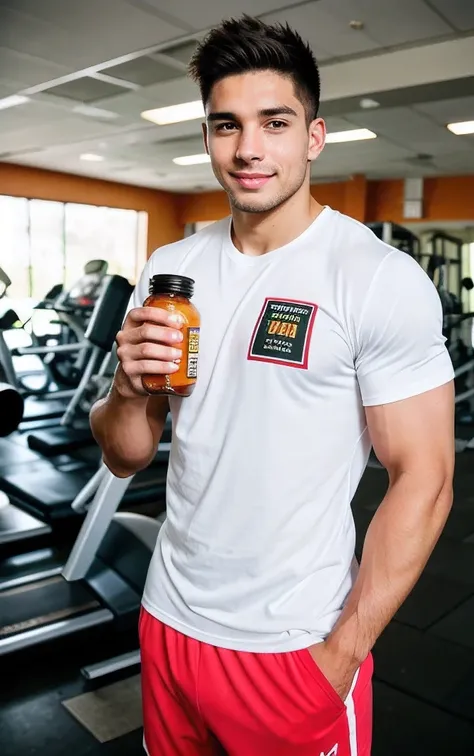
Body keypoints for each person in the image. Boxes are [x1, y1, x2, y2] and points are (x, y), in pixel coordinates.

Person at [90, 15, 455, 756]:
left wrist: (341, 655)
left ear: (313, 137)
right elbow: (126, 456)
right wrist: (129, 390)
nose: (248, 149)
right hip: (167, 623)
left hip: (294, 646)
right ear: (206, 137)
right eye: (227, 125)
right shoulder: (172, 269)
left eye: (274, 122)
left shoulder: (374, 278)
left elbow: (427, 477)